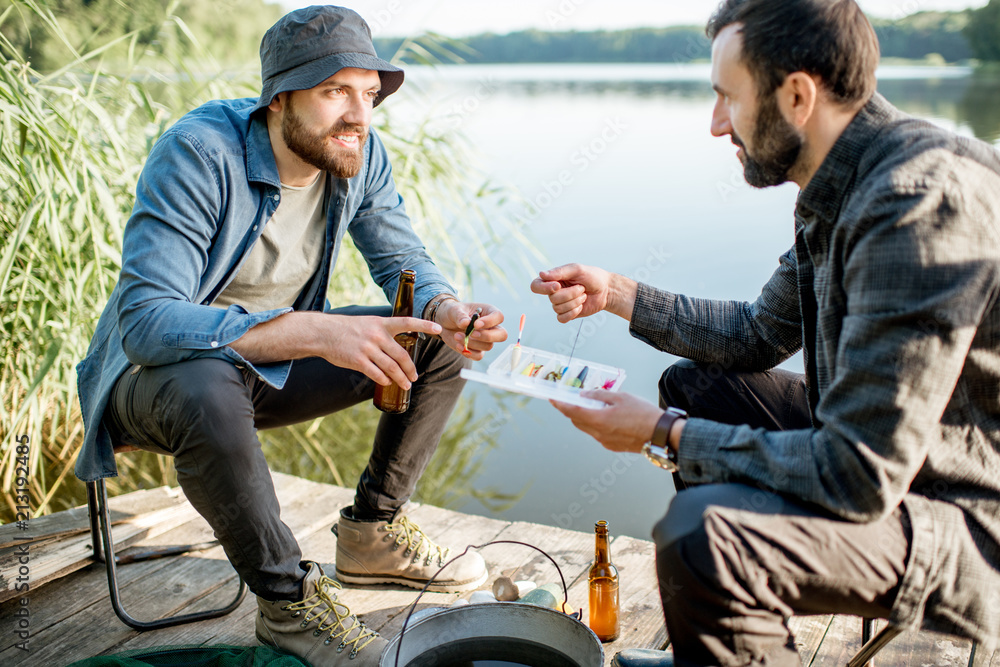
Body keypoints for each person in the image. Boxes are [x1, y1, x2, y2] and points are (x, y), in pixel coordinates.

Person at [532, 0, 1000, 665]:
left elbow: (857, 475)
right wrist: (617, 293)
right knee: (697, 386)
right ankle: (717, 641)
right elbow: (756, 333)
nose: (717, 123)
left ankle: (721, 616)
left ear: (798, 95)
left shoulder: (915, 204)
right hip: (903, 454)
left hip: (969, 517)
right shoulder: (843, 178)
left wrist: (662, 432)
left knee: (702, 536)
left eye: (728, 97)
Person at [75, 6, 506, 665]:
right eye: (336, 92)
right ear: (279, 99)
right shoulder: (199, 151)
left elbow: (401, 258)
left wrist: (449, 307)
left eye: (368, 94)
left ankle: (372, 532)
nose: (358, 115)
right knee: (203, 383)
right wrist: (304, 328)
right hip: (160, 382)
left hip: (268, 368)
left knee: (431, 338)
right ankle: (287, 603)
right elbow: (146, 322)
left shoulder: (359, 154)